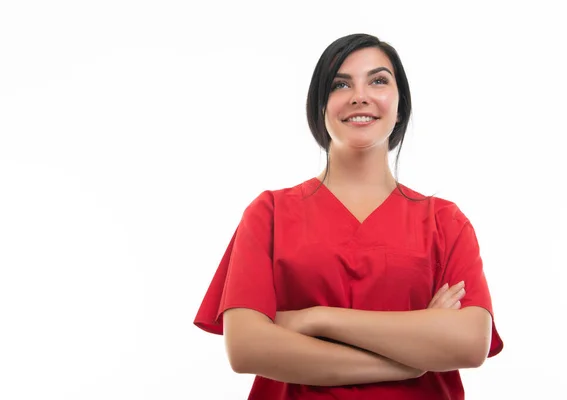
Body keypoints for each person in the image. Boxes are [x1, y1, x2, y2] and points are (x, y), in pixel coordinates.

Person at [193, 33, 503, 399]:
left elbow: (469, 343)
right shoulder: (270, 213)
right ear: (320, 106)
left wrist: (316, 318)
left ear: (400, 105)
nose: (360, 95)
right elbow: (246, 348)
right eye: (341, 84)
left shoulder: (445, 222)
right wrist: (409, 359)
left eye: (378, 80)